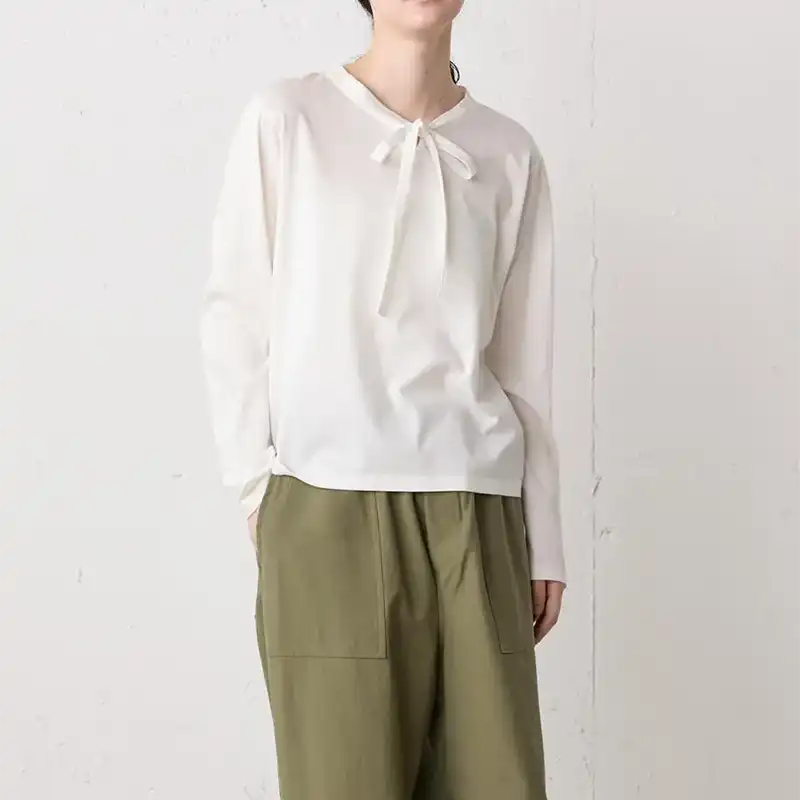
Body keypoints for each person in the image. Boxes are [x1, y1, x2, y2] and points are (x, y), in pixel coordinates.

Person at [198, 0, 567, 797]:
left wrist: (545, 538)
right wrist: (258, 490)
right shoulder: (289, 119)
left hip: (479, 511)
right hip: (324, 506)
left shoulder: (508, 151)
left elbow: (524, 362)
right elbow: (235, 314)